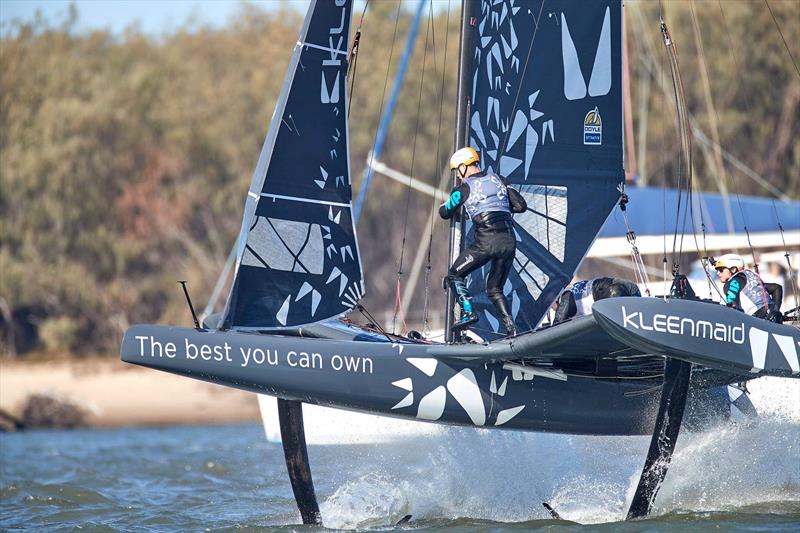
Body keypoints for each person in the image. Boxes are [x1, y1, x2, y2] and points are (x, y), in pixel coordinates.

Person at [439, 147, 527, 336]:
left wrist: (446, 206)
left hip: (486, 243)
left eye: (457, 171)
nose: (457, 176)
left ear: (463, 167)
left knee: (453, 276)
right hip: (509, 242)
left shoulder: (463, 189)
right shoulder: (500, 180)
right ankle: (512, 330)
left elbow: (445, 212)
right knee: (495, 289)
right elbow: (520, 206)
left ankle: (468, 312)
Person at [713, 254, 783, 322]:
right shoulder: (750, 276)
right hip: (771, 315)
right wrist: (775, 311)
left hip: (757, 319)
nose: (718, 273)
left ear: (733, 269)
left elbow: (733, 307)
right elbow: (777, 288)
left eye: (721, 270)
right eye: (717, 270)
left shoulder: (732, 282)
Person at [552, 277, 641, 324]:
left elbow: (557, 324)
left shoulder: (565, 296)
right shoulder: (572, 288)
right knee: (638, 313)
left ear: (555, 298)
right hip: (626, 286)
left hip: (610, 293)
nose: (552, 309)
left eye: (551, 306)